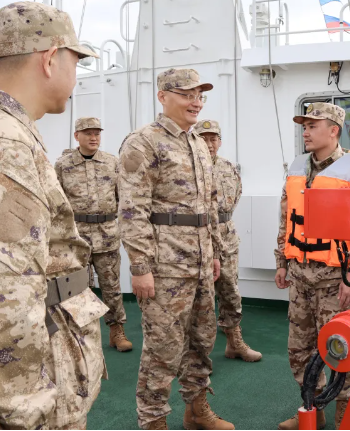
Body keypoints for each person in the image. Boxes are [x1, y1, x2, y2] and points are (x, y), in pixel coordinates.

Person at [0, 1, 107, 429]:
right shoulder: (3, 144)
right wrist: (25, 414)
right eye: (76, 61)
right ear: (50, 58)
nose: (76, 76)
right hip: (24, 397)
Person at [118, 68, 233, 430]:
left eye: (199, 95)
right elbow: (132, 209)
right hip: (165, 266)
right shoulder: (142, 142)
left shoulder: (198, 142)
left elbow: (209, 204)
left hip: (200, 262)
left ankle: (196, 410)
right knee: (163, 351)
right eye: (187, 94)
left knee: (202, 341)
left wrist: (214, 253)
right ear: (163, 96)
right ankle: (153, 421)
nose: (196, 102)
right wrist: (140, 267)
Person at [275, 102, 350, 430]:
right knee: (299, 349)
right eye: (304, 126)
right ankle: (312, 410)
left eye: (312, 126)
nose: (305, 132)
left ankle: (346, 417)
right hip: (300, 275)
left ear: (334, 130)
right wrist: (282, 261)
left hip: (336, 279)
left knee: (342, 348)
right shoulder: (297, 166)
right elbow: (286, 217)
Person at [55, 117, 132, 352]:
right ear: (76, 136)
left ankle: (116, 330)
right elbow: (57, 202)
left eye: (97, 133)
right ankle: (85, 335)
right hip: (77, 238)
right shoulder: (63, 165)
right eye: (88, 133)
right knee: (80, 288)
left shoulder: (112, 162)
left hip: (107, 234)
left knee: (111, 286)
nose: (93, 137)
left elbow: (122, 198)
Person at [193, 120, 262, 362]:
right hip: (199, 238)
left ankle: (234, 343)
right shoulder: (188, 168)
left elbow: (236, 194)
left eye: (213, 139)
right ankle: (199, 354)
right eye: (203, 139)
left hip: (227, 237)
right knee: (201, 297)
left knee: (231, 291)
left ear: (220, 142)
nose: (209, 144)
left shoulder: (228, 167)